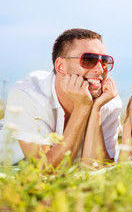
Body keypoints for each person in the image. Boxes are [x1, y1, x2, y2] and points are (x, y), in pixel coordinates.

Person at [0, 28, 122, 167]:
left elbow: (99, 170)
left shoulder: (108, 102)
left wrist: (95, 111)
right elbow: (45, 169)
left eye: (105, 62)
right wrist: (82, 108)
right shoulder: (28, 94)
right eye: (89, 60)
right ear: (61, 66)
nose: (100, 70)